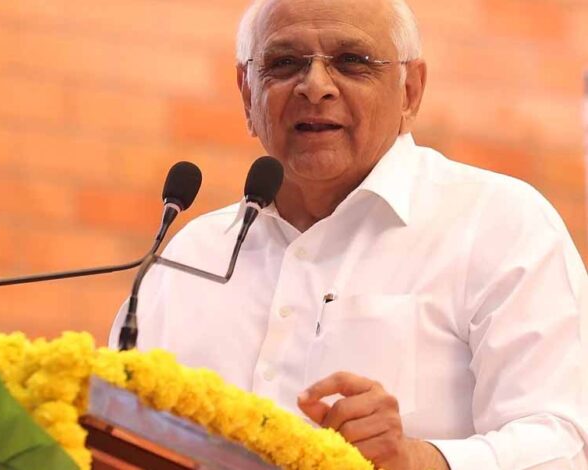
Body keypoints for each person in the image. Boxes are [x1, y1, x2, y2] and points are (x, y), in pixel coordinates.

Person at [109, 0, 588, 468]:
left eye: (352, 61)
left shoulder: (497, 223)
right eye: (285, 63)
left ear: (410, 91)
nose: (315, 87)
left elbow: (563, 445)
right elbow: (110, 426)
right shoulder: (192, 256)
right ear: (247, 93)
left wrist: (420, 460)